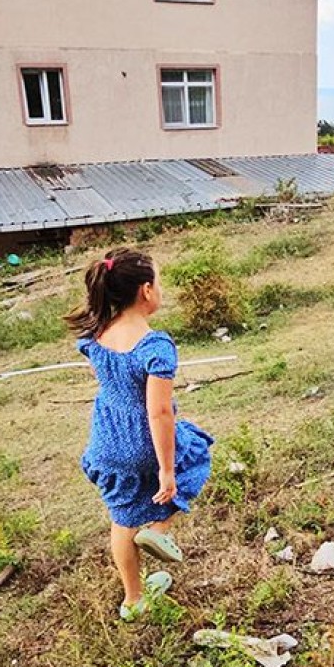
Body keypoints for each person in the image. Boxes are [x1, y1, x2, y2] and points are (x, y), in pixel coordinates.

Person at [65, 248, 213, 621]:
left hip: (107, 442)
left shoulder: (96, 335)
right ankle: (160, 529)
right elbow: (159, 412)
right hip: (144, 441)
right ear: (146, 291)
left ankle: (133, 600)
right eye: (158, 283)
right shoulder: (154, 346)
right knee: (195, 455)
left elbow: (105, 380)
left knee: (122, 518)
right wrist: (166, 469)